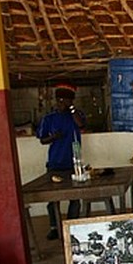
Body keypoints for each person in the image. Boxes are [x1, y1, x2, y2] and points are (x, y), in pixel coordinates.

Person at [37, 82, 86, 240]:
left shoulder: (75, 115)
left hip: (74, 162)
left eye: (65, 101)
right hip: (55, 163)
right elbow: (42, 140)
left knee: (75, 197)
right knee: (52, 199)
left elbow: (81, 125)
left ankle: (72, 226)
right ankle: (54, 227)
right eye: (59, 100)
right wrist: (53, 137)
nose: (61, 103)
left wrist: (71, 109)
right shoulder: (49, 118)